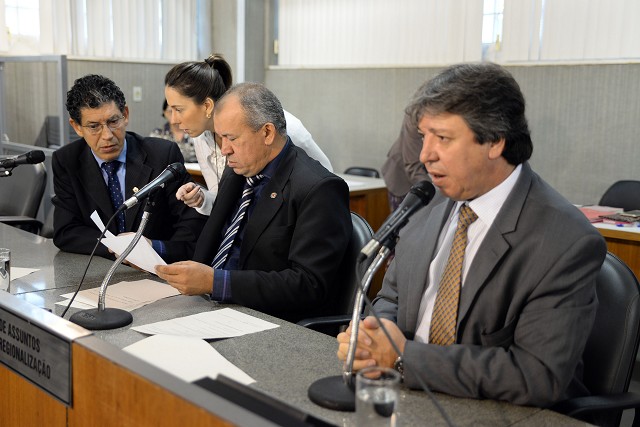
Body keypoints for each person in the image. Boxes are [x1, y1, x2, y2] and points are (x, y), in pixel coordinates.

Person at [337, 63, 607, 407]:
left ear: (494, 141)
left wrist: (405, 357)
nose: (425, 155)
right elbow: (392, 298)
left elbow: (538, 375)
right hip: (406, 398)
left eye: (443, 138)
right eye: (423, 136)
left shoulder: (564, 239)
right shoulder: (425, 203)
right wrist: (373, 338)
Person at [155, 82, 352, 322]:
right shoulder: (238, 171)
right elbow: (211, 242)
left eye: (231, 138)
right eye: (220, 137)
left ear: (267, 133)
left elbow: (309, 284)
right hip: (207, 305)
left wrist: (216, 282)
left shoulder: (318, 188)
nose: (224, 150)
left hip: (267, 319)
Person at [52, 74, 207, 262]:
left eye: (113, 121)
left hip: (157, 266)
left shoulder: (162, 155)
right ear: (76, 127)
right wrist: (117, 247)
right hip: (100, 265)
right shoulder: (67, 160)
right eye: (94, 126)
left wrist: (156, 249)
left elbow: (191, 226)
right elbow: (66, 230)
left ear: (125, 114)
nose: (107, 135)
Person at [164, 54, 333, 216]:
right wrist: (202, 199)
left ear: (207, 106)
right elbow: (223, 201)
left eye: (179, 109)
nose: (173, 120)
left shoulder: (285, 129)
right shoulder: (202, 137)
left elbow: (322, 181)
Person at [381, 112, 430, 212]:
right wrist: (435, 191)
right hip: (402, 179)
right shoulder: (415, 114)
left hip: (423, 178)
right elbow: (412, 165)